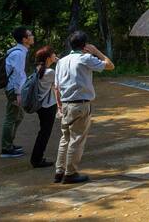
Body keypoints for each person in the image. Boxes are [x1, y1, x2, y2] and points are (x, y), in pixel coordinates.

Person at [53, 30, 114, 184]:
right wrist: (96, 51)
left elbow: (57, 87)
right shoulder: (85, 58)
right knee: (77, 139)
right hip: (80, 104)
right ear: (85, 45)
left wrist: (59, 106)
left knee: (65, 138)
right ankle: (70, 173)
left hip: (65, 104)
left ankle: (59, 171)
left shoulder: (61, 61)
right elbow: (110, 65)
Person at [1, 26, 34, 158]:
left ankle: (9, 144)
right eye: (30, 35)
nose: (32, 36)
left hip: (14, 89)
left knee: (18, 116)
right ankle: (6, 148)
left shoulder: (19, 52)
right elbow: (17, 75)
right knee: (11, 117)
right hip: (14, 90)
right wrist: (19, 93)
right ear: (24, 39)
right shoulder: (18, 54)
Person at [29, 46, 61, 168]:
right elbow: (62, 78)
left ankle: (37, 158)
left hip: (41, 106)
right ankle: (36, 159)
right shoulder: (49, 72)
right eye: (53, 54)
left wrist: (55, 60)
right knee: (44, 133)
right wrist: (59, 61)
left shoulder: (38, 69)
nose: (55, 55)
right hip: (48, 106)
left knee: (43, 132)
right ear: (48, 58)